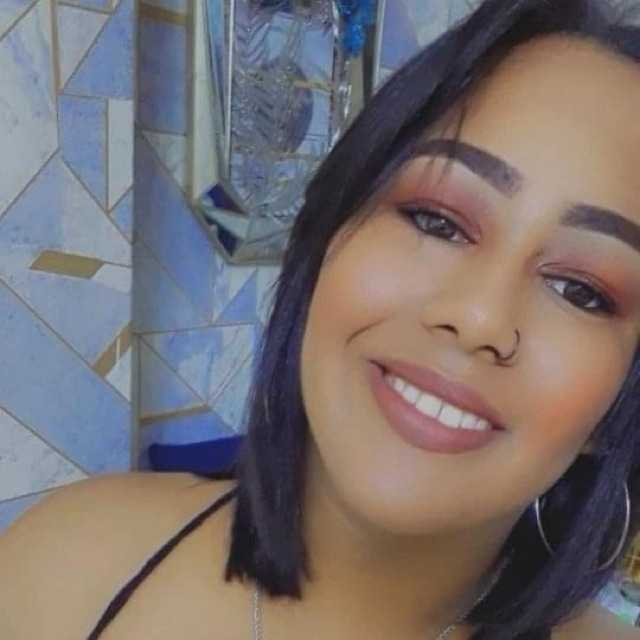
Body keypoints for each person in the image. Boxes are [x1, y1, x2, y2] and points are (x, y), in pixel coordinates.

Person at [3, 0, 640, 637]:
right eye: (437, 221)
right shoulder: (66, 567)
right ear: (328, 238)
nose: (478, 317)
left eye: (581, 291)